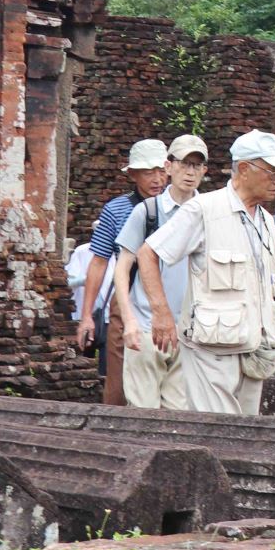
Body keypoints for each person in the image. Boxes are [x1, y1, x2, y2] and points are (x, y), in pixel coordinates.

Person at [139, 131, 275, 415]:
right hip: (210, 350)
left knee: (248, 433)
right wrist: (161, 314)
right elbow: (148, 253)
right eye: (273, 172)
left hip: (253, 349)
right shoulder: (204, 209)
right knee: (218, 430)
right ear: (245, 169)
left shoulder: (266, 220)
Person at [113, 134, 207, 410]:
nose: (189, 172)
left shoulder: (209, 213)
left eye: (196, 166)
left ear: (204, 171)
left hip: (190, 331)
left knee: (180, 417)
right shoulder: (148, 211)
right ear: (169, 167)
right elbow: (121, 269)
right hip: (146, 324)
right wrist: (128, 320)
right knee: (142, 414)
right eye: (183, 164)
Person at [75, 138, 168, 405]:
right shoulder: (117, 209)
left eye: (161, 171)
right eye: (149, 172)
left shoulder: (181, 208)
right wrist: (86, 318)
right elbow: (99, 262)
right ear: (133, 174)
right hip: (127, 297)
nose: (157, 179)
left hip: (172, 296)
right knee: (118, 382)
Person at [66, 240, 112, 323]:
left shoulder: (122, 254)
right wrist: (86, 280)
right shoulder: (82, 251)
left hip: (110, 315)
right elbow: (68, 282)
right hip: (83, 314)